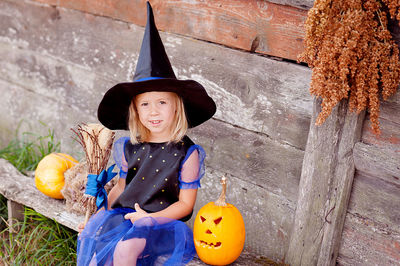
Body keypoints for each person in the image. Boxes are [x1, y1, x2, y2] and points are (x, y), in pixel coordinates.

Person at [76, 2, 216, 265]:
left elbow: (185, 205)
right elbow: (121, 187)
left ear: (177, 107)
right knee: (97, 249)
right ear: (136, 111)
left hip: (158, 224)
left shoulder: (187, 153)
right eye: (145, 104)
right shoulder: (129, 146)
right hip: (124, 217)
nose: (154, 111)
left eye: (162, 102)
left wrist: (150, 219)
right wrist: (99, 216)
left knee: (125, 251)